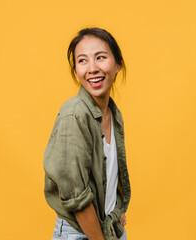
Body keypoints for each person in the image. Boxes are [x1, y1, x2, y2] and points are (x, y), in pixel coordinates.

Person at [43, 27, 131, 240]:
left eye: (100, 57)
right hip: (81, 234)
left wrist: (115, 210)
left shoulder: (112, 112)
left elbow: (108, 175)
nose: (92, 68)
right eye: (82, 61)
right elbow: (76, 198)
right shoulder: (74, 115)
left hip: (109, 229)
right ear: (76, 72)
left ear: (117, 64)